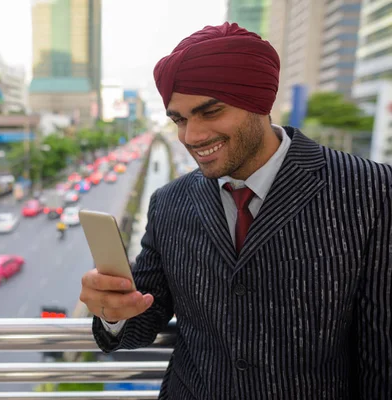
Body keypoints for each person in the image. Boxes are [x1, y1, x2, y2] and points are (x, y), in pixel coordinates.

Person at [79, 22, 391, 399]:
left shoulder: (371, 190)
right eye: (179, 119)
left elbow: (382, 357)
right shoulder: (169, 202)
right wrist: (113, 311)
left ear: (261, 102)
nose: (191, 137)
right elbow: (141, 321)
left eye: (210, 112)